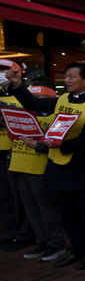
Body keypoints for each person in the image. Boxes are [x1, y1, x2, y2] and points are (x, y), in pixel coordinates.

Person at [7, 62, 85, 270]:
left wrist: (62, 144)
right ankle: (77, 249)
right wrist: (18, 85)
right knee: (68, 213)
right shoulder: (62, 99)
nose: (66, 80)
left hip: (83, 167)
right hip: (59, 166)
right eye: (65, 76)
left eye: (71, 76)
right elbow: (35, 104)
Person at [9, 79, 66, 262]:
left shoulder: (56, 115)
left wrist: (38, 145)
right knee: (31, 210)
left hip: (41, 169)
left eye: (40, 98)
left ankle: (56, 243)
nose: (34, 101)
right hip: (20, 165)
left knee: (48, 211)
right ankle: (42, 241)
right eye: (32, 97)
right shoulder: (23, 113)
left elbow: (59, 142)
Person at [0, 59, 34, 252]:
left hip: (18, 151)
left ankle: (24, 233)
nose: (2, 73)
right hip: (1, 151)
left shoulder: (24, 93)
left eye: (5, 69)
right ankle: (11, 232)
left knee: (19, 196)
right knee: (4, 196)